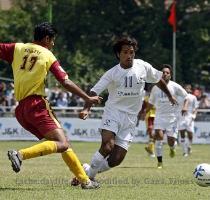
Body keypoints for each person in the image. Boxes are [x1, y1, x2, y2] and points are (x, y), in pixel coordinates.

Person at [0, 22, 102, 189]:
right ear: (46, 38)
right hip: (37, 105)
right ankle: (19, 155)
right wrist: (87, 98)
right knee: (62, 143)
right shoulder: (47, 54)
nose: (53, 44)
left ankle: (85, 181)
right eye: (53, 40)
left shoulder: (17, 48)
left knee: (61, 143)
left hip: (21, 111)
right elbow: (65, 81)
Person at [72, 36, 177, 182]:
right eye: (126, 52)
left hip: (131, 118)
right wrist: (86, 109)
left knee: (116, 160)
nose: (129, 56)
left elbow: (158, 79)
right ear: (118, 54)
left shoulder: (142, 66)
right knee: (107, 146)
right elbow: (94, 92)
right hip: (113, 112)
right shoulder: (112, 73)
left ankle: (87, 170)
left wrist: (170, 96)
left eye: (132, 52)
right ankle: (89, 178)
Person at [148, 64, 188, 169]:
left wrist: (184, 107)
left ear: (170, 75)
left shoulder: (175, 86)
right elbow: (151, 103)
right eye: (163, 72)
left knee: (171, 141)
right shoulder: (155, 88)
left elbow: (186, 96)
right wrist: (143, 112)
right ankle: (160, 162)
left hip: (172, 118)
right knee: (159, 138)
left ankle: (172, 148)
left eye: (167, 72)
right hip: (159, 117)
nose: (165, 74)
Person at [178, 84, 198, 156]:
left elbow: (195, 107)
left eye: (188, 88)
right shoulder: (179, 97)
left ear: (190, 89)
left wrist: (194, 115)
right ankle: (184, 151)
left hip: (189, 117)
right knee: (182, 134)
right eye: (185, 88)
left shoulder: (193, 97)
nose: (187, 89)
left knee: (190, 134)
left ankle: (189, 146)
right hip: (181, 116)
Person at [137, 84, 156, 157]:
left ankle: (150, 149)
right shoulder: (146, 98)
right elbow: (142, 108)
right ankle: (151, 151)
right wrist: (140, 115)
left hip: (158, 117)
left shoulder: (158, 98)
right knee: (151, 132)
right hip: (149, 117)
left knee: (155, 134)